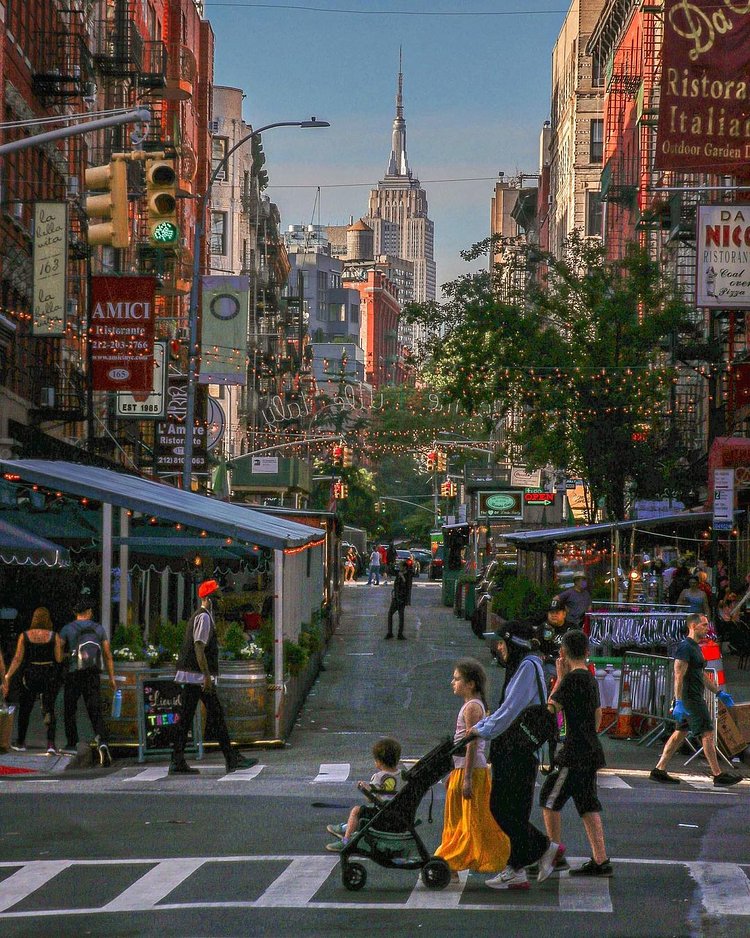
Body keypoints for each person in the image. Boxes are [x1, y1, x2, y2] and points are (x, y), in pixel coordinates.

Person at [464, 620, 556, 891]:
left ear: (514, 643)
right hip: (513, 749)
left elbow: (510, 711)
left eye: (502, 643)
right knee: (512, 809)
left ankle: (543, 848)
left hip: (516, 750)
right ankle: (517, 868)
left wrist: (480, 730)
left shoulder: (527, 666)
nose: (499, 648)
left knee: (503, 808)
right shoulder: (523, 666)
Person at [541, 629, 612, 879]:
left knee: (549, 799)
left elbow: (551, 708)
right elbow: (598, 714)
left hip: (573, 753)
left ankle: (554, 855)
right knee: (587, 804)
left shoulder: (570, 681)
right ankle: (601, 859)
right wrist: (589, 733)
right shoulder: (590, 679)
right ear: (587, 652)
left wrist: (559, 679)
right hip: (591, 750)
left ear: (563, 653)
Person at [170, 579, 258, 775]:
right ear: (208, 599)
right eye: (217, 598)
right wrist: (206, 676)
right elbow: (199, 646)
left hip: (193, 676)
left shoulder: (203, 616)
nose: (220, 601)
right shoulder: (204, 618)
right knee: (215, 715)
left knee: (187, 718)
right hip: (197, 677)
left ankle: (177, 760)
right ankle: (231, 758)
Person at [435, 658, 510, 877]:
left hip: (471, 771)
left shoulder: (473, 708)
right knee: (457, 821)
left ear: (471, 684)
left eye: (457, 679)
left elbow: (471, 744)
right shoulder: (472, 705)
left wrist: (466, 777)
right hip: (462, 769)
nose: (453, 682)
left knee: (470, 821)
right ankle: (452, 863)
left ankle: (450, 860)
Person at [650, 613, 740, 787]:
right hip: (690, 698)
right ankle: (718, 774)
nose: (707, 628)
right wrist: (678, 701)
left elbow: (700, 674)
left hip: (692, 697)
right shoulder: (685, 647)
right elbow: (678, 675)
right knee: (706, 732)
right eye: (704, 625)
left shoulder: (695, 647)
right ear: (693, 626)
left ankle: (659, 769)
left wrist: (718, 692)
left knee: (680, 733)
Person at [60, 598, 116, 767]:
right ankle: (102, 741)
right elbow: (107, 654)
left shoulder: (67, 629)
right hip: (93, 674)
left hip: (74, 673)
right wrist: (112, 678)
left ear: (76, 612)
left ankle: (71, 742)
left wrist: (66, 657)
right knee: (95, 709)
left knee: (69, 707)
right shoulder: (98, 629)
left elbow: (58, 653)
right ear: (89, 612)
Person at [2, 608, 63, 754]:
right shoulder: (54, 636)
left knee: (25, 708)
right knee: (49, 708)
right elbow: (58, 658)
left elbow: (18, 658)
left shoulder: (25, 636)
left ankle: (21, 741)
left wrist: (8, 676)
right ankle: (50, 744)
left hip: (29, 674)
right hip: (48, 674)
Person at [325, 737, 401, 852]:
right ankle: (347, 827)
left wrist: (366, 789)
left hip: (382, 815)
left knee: (356, 810)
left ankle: (346, 840)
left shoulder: (379, 777)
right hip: (398, 814)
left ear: (379, 762)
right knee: (366, 810)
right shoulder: (403, 775)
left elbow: (370, 799)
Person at [385, 562, 409, 640]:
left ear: (405, 567)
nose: (400, 568)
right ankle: (390, 632)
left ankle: (400, 633)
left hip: (402, 598)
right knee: (390, 614)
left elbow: (407, 586)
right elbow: (396, 585)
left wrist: (402, 577)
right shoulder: (399, 574)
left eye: (401, 566)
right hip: (396, 597)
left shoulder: (407, 575)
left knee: (401, 615)